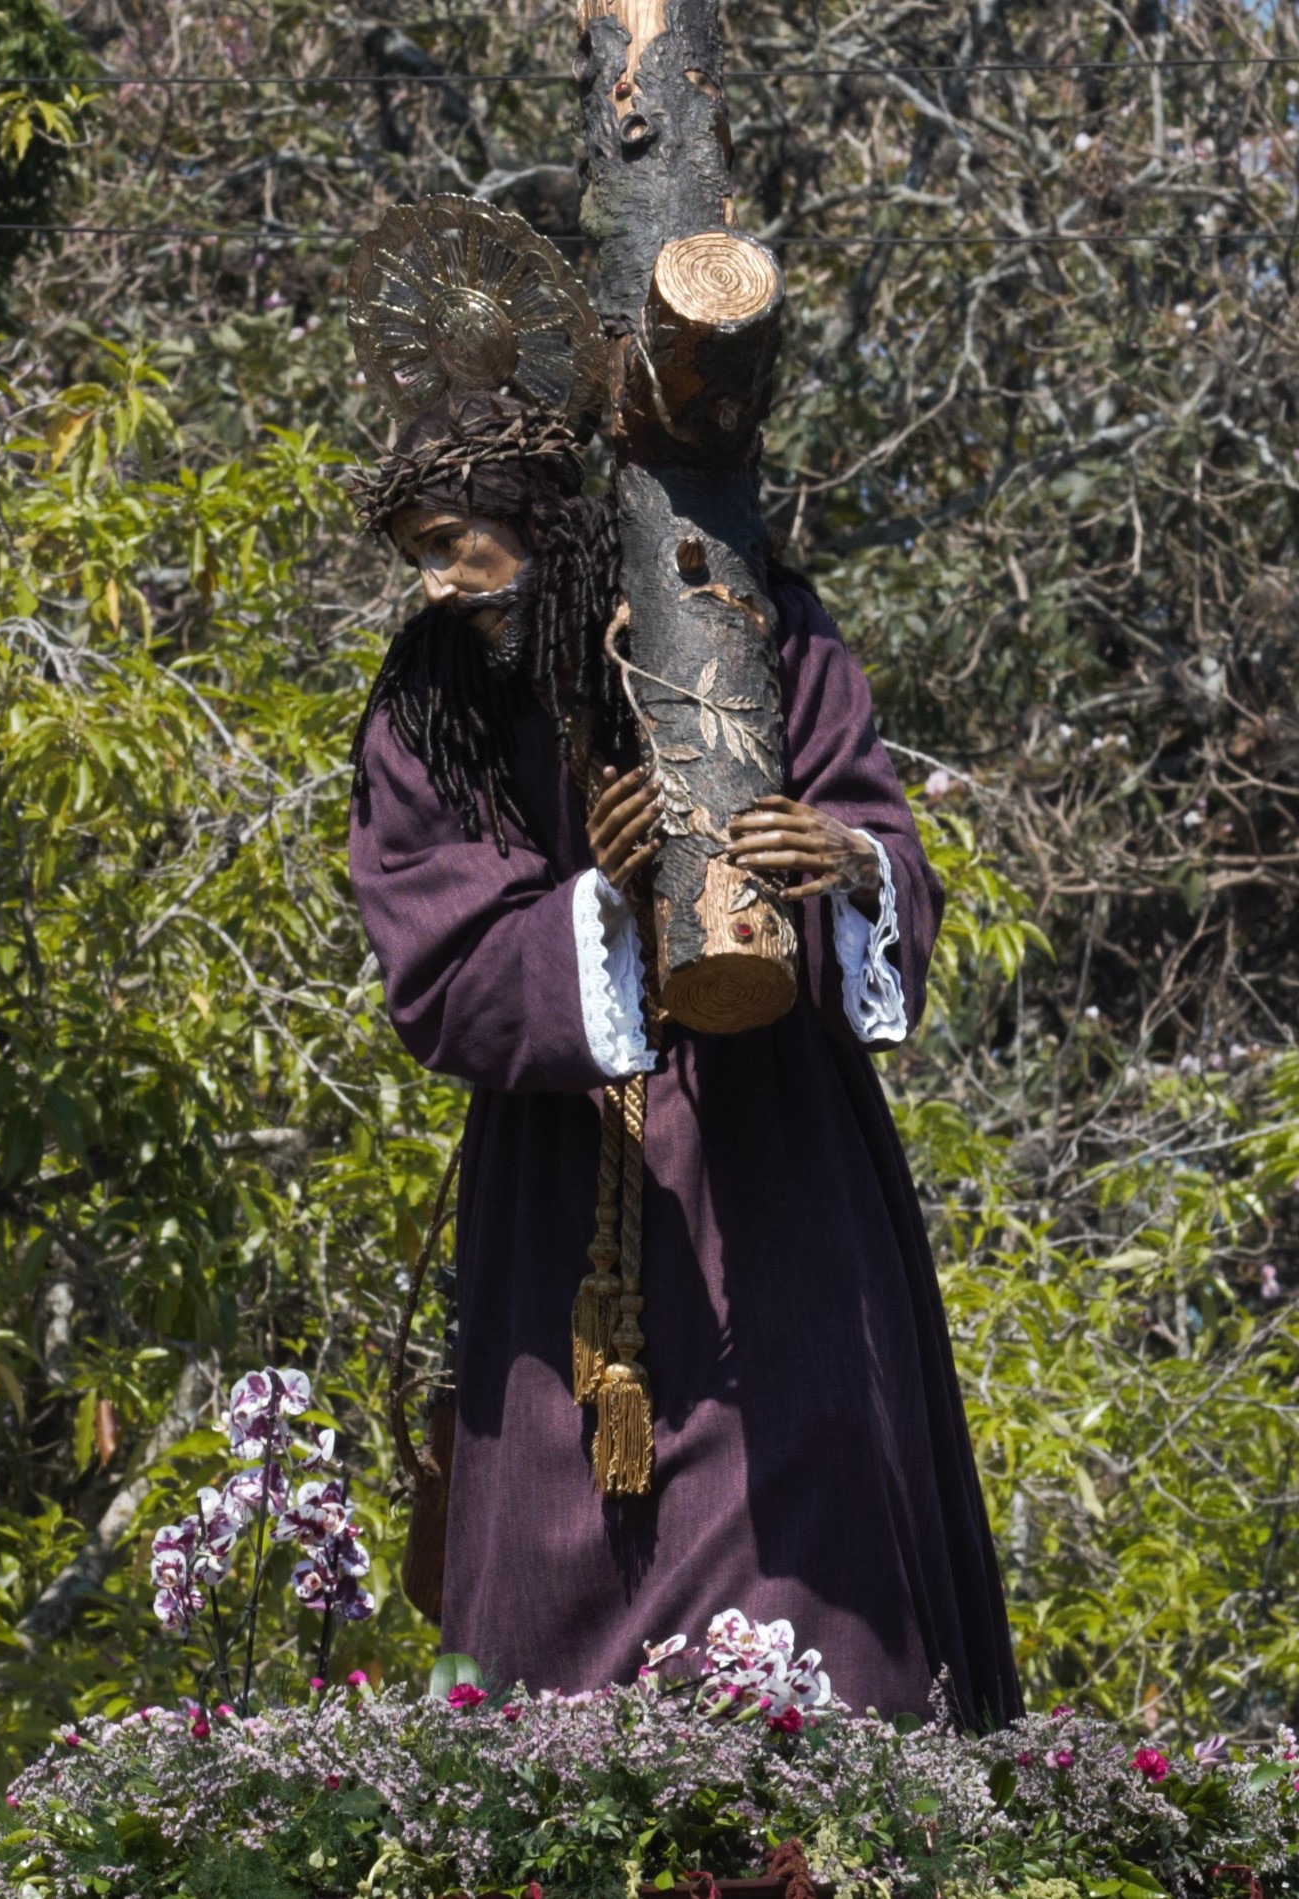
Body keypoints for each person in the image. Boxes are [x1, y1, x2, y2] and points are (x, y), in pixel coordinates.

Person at [346, 392, 1022, 1726]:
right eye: (412, 551)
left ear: (537, 522)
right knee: (557, 1541)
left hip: (774, 1165)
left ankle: (841, 1847)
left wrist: (841, 863)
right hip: (560, 1192)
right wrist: (594, 900)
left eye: (452, 541)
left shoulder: (755, 623)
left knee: (811, 1494)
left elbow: (865, 819)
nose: (434, 580)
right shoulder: (426, 710)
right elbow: (432, 959)